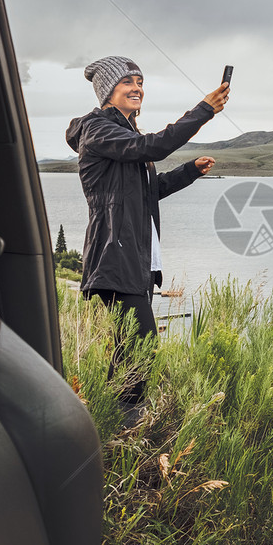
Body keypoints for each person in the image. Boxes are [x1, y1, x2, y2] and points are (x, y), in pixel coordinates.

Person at [66, 55, 228, 410]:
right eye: (128, 82)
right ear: (108, 91)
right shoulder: (98, 129)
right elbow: (153, 146)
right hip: (114, 256)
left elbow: (148, 191)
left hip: (134, 259)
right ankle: (123, 421)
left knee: (129, 349)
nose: (137, 89)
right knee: (141, 347)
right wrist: (203, 110)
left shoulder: (124, 133)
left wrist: (188, 172)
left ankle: (108, 422)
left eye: (140, 83)